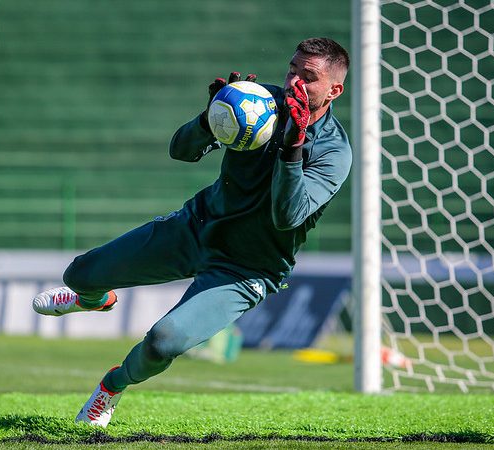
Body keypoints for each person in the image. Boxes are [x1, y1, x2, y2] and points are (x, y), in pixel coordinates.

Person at [31, 37, 352, 427]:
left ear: (334, 90)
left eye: (309, 76)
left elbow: (287, 217)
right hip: (196, 228)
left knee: (162, 343)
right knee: (78, 275)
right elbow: (180, 151)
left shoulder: (335, 152)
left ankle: (110, 389)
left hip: (247, 269)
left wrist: (292, 147)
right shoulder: (259, 103)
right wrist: (209, 120)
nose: (294, 82)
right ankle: (94, 299)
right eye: (292, 69)